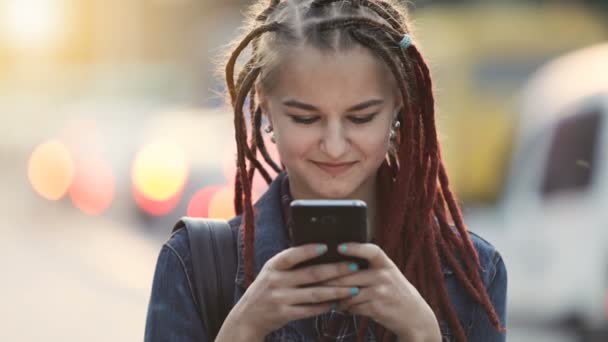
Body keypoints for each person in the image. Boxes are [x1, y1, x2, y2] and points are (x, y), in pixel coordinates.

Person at [144, 0, 507, 341]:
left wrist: (424, 333)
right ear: (265, 109)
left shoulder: (471, 272)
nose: (334, 145)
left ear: (398, 106)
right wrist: (242, 329)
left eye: (361, 117)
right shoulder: (195, 263)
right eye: (306, 118)